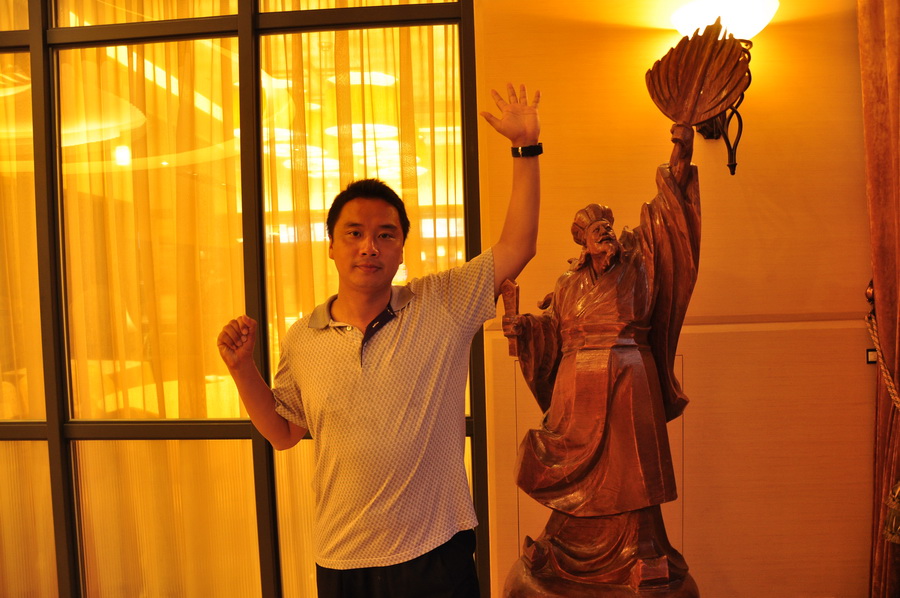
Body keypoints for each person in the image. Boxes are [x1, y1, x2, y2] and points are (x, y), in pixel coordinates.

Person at [217, 83, 541, 598]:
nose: (369, 246)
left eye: (385, 234)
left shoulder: (442, 303)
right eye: (354, 233)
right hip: (343, 560)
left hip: (437, 551)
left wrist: (525, 149)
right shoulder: (304, 339)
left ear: (401, 248)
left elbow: (518, 244)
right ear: (330, 245)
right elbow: (283, 433)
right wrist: (242, 369)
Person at [502, 123, 699, 594]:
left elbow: (668, 219)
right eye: (596, 229)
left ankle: (643, 552)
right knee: (573, 472)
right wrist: (524, 328)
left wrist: (680, 152)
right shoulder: (567, 286)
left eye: (608, 227)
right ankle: (562, 547)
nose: (606, 233)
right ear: (582, 241)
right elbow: (552, 333)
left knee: (631, 471)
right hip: (577, 387)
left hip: (630, 377)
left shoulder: (640, 264)